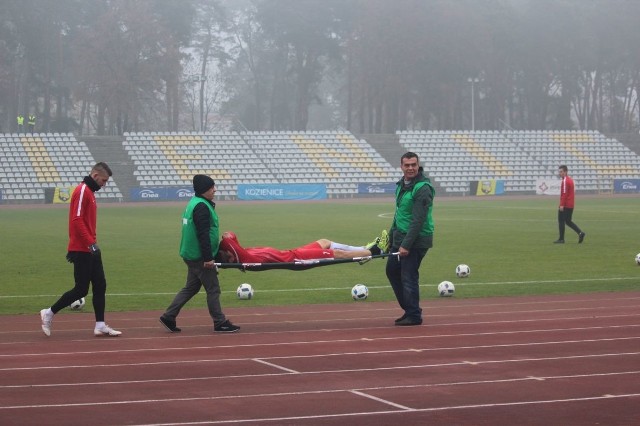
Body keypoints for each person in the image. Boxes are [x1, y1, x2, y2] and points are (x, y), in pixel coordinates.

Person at [40, 162, 122, 337]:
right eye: (104, 180)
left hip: (91, 247)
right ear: (94, 176)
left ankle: (100, 325)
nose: (104, 184)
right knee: (81, 290)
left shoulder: (90, 193)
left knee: (100, 285)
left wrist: (93, 244)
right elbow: (77, 220)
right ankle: (49, 313)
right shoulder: (83, 190)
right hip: (82, 249)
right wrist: (90, 243)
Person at [159, 175, 239, 334]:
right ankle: (219, 321)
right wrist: (209, 258)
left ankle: (169, 316)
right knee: (213, 289)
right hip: (199, 257)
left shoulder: (194, 203)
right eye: (211, 188)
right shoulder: (202, 207)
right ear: (204, 190)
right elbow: (203, 234)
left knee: (191, 288)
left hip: (190, 254)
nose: (214, 190)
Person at [385, 152, 435, 326]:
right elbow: (399, 215)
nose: (411, 168)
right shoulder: (401, 185)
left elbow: (418, 220)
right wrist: (391, 239)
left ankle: (413, 315)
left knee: (408, 275)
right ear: (401, 166)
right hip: (400, 237)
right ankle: (410, 309)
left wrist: (406, 245)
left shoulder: (422, 188)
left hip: (416, 240)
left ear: (418, 164)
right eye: (407, 165)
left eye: (413, 164)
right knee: (392, 270)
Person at [216, 230, 388, 264]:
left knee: (324, 241)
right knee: (336, 254)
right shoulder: (245, 258)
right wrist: (223, 242)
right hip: (297, 259)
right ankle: (374, 251)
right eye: (229, 255)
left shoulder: (242, 252)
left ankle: (363, 248)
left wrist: (224, 242)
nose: (232, 253)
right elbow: (229, 239)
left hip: (293, 252)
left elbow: (231, 238)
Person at [554, 165, 586, 244]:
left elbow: (564, 194)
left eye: (561, 172)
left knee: (561, 220)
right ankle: (580, 233)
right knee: (568, 221)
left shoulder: (565, 181)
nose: (560, 173)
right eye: (559, 172)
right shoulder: (570, 180)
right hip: (570, 204)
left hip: (565, 205)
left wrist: (561, 205)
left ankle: (561, 239)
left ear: (565, 172)